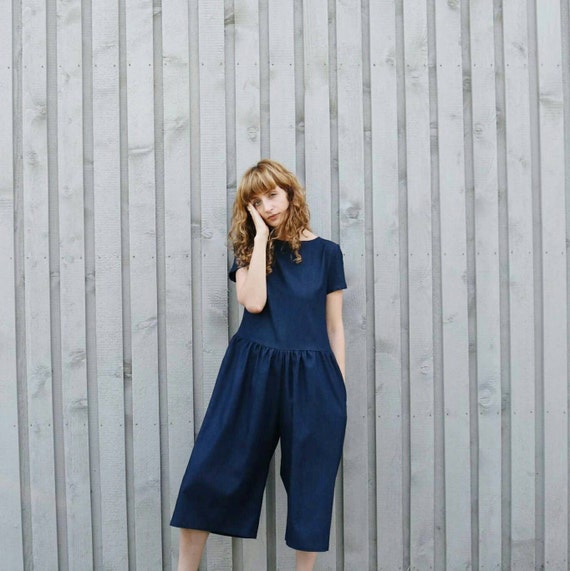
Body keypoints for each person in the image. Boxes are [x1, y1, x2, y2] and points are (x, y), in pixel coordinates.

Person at [170, 159, 347, 571]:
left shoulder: (327, 253)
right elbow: (254, 303)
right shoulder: (249, 249)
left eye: (272, 195)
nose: (267, 206)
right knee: (208, 470)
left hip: (313, 378)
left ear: (290, 193)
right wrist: (263, 238)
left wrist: (338, 391)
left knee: (310, 482)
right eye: (256, 201)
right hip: (251, 370)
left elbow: (335, 328)